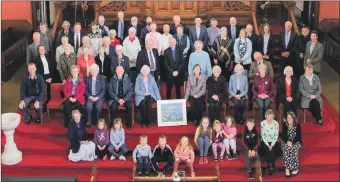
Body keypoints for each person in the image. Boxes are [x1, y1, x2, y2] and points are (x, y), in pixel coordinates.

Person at [282, 112, 302, 177]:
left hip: (296, 141)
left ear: (294, 118)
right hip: (286, 141)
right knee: (287, 149)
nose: (289, 119)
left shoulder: (298, 125)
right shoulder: (285, 124)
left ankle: (295, 168)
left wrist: (292, 142)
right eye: (288, 117)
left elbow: (298, 136)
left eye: (291, 118)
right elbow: (283, 135)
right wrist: (288, 141)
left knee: (293, 149)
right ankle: (287, 168)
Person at [261, 109, 279, 176]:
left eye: (271, 116)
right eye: (268, 116)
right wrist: (268, 145)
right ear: (265, 116)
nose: (270, 118)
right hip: (265, 141)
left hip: (273, 141)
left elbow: (276, 135)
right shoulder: (263, 123)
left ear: (273, 116)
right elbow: (263, 135)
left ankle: (270, 165)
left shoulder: (276, 123)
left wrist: (272, 144)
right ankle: (271, 165)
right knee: (268, 149)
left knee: (272, 149)